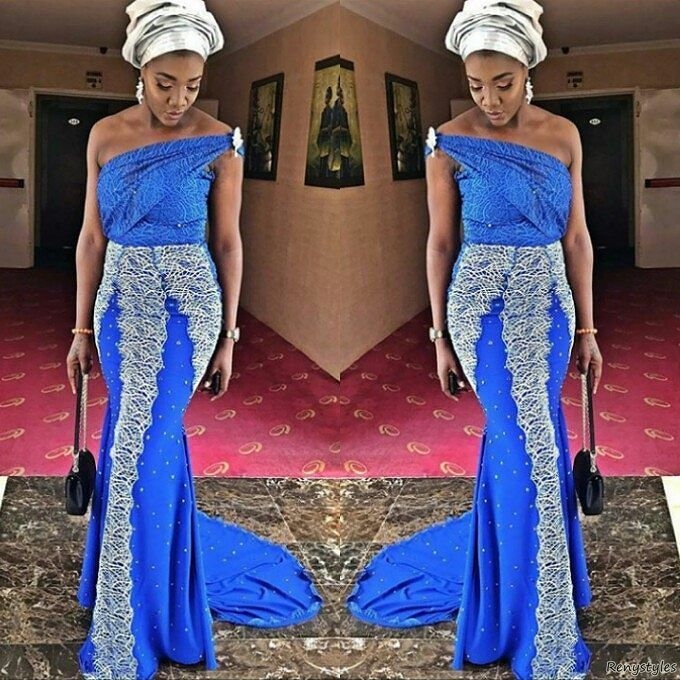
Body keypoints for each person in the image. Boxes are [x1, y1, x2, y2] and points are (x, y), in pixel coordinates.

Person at [65, 1, 322, 677]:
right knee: (132, 437)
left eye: (191, 84)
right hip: (121, 303)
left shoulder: (220, 142)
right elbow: (91, 238)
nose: (179, 99)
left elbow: (229, 244)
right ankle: (142, 589)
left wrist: (229, 336)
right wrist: (81, 328)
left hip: (188, 306)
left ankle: (141, 612)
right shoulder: (105, 137)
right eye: (164, 83)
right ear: (140, 72)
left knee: (144, 443)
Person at [346, 1, 602, 678]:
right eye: (477, 84)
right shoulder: (447, 142)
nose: (489, 99)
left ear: (528, 71)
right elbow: (439, 243)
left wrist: (588, 327)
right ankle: (529, 611)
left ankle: (530, 585)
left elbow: (577, 238)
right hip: (479, 305)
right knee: (523, 442)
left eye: (503, 83)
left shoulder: (563, 137)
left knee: (538, 436)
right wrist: (439, 336)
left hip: (548, 303)